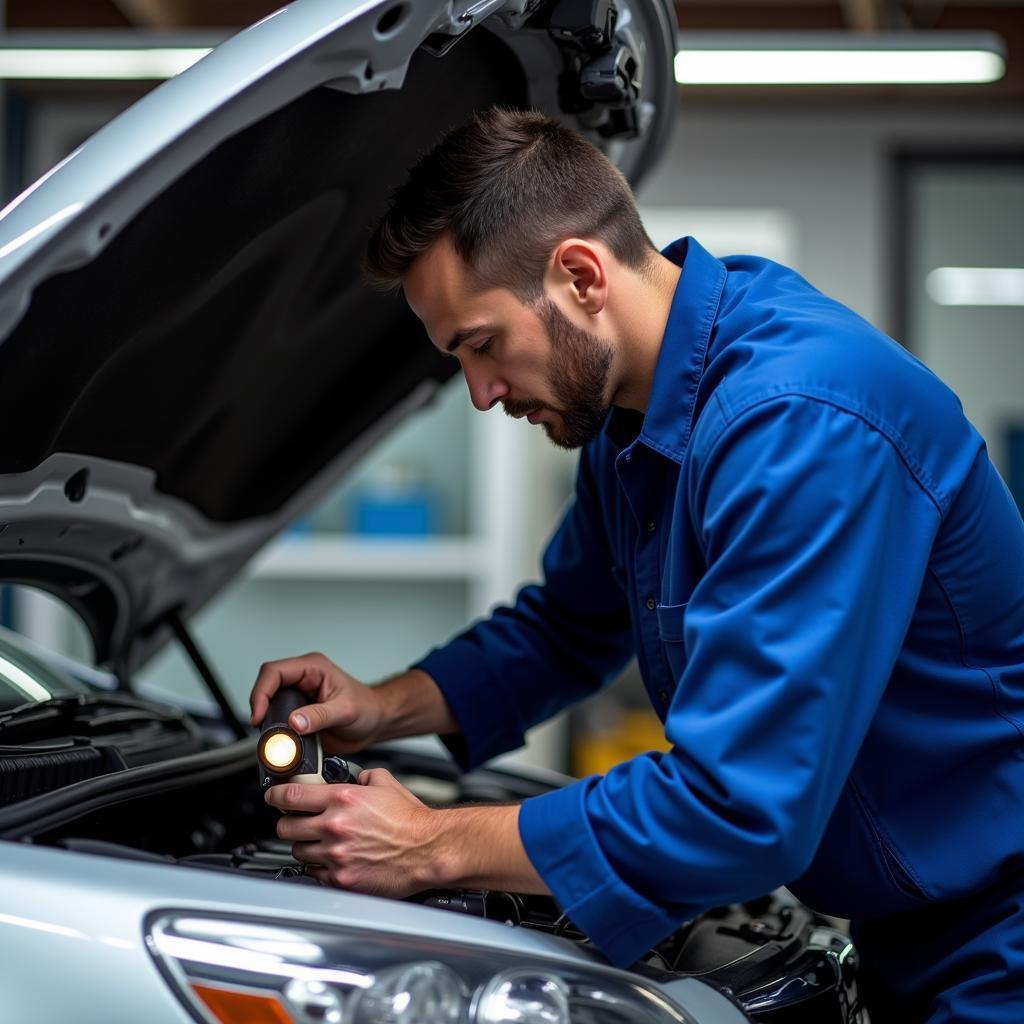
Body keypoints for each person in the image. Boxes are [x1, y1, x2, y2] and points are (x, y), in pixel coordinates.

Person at [249, 107, 1024, 1022]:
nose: (482, 392)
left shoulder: (800, 423)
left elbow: (739, 804)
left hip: (1000, 934)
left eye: (483, 344)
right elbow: (564, 628)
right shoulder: (636, 420)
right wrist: (385, 706)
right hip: (907, 922)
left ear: (580, 274)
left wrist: (431, 844)